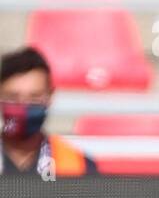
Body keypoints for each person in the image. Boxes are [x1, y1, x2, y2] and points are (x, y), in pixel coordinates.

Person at [1, 47, 97, 178]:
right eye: (13, 97)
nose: (23, 106)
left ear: (50, 96)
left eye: (34, 97)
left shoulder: (80, 166)